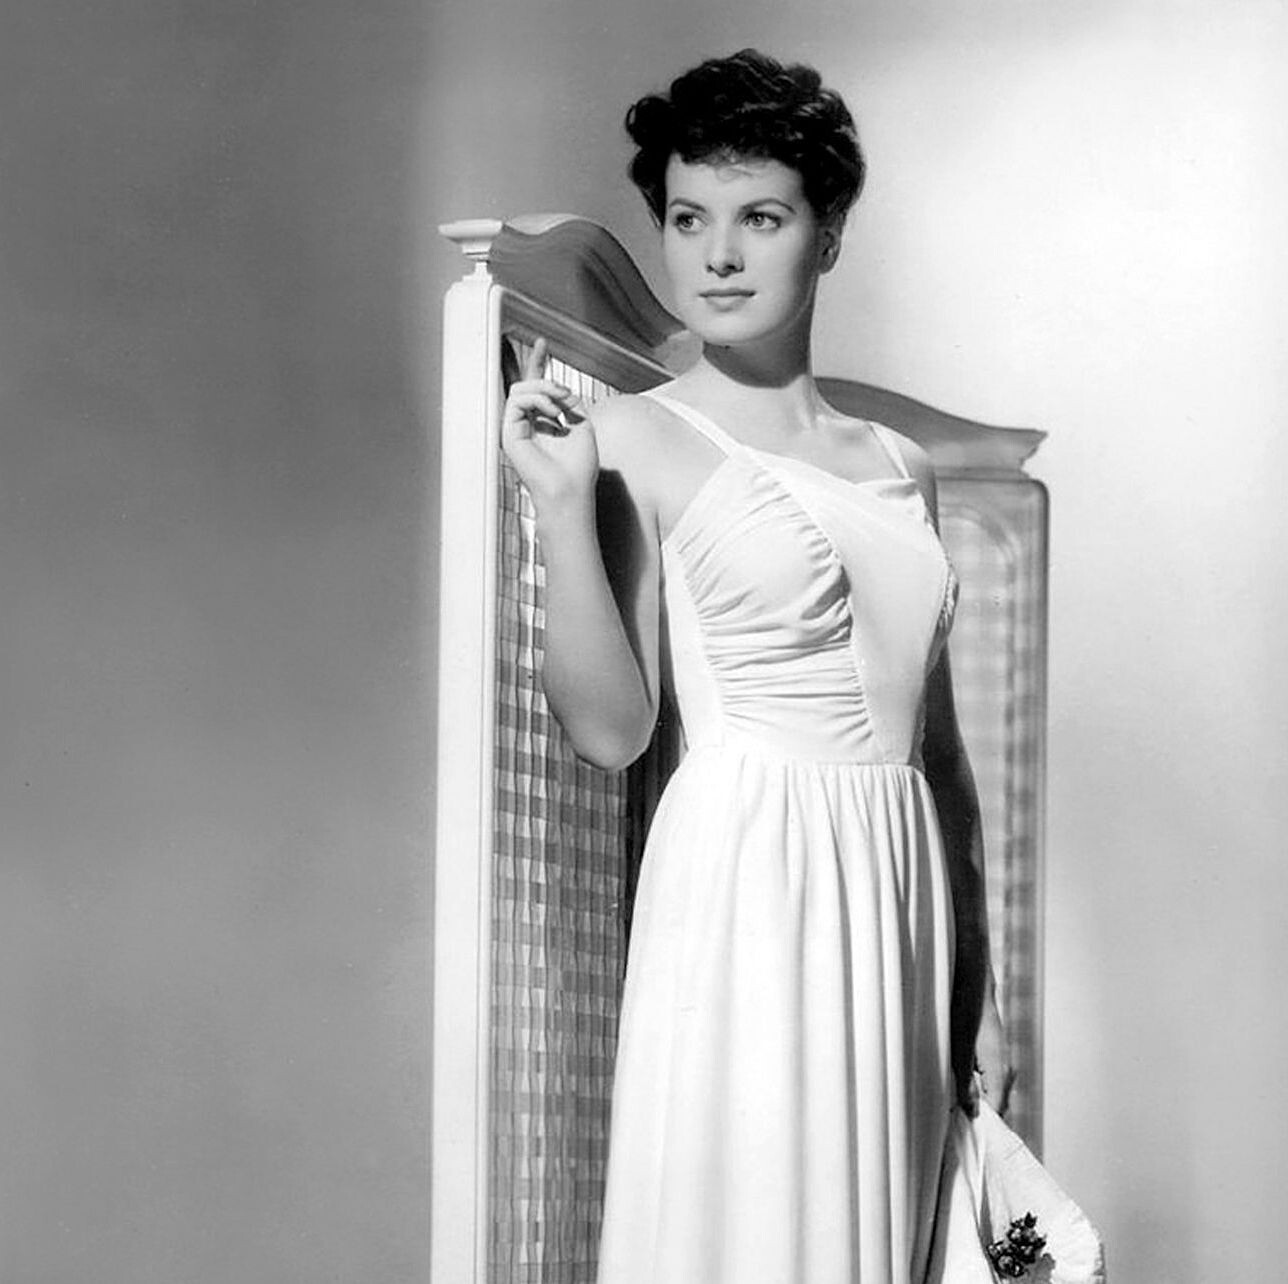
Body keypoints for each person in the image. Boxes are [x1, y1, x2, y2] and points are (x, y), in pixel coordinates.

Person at [502, 48, 1012, 1284]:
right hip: (747, 874)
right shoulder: (633, 436)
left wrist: (976, 989)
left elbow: (939, 756)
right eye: (688, 220)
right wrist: (562, 508)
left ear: (827, 236)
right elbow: (612, 731)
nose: (717, 257)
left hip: (893, 890)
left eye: (759, 219)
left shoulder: (900, 463)